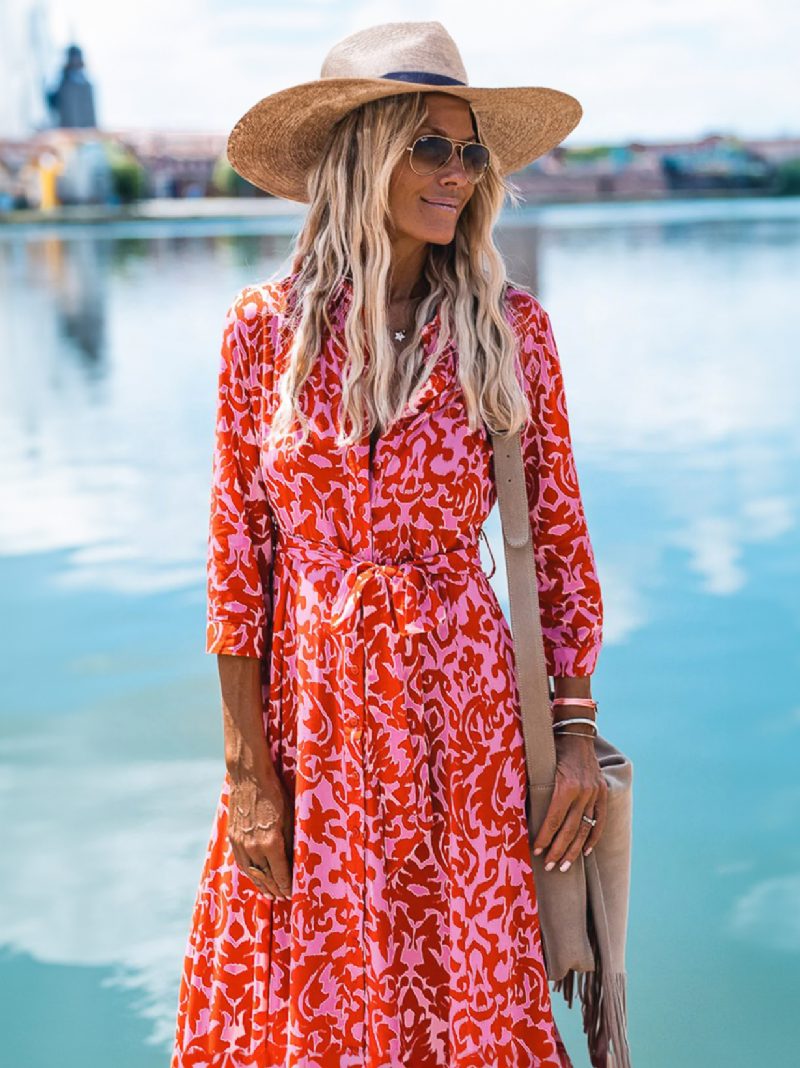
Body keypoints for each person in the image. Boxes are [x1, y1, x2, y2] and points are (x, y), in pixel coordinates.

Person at [171, 20, 606, 1068]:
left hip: (464, 722)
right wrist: (246, 777)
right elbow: (239, 562)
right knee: (302, 991)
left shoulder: (509, 330)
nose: (457, 174)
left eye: (470, 154)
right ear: (364, 154)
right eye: (430, 146)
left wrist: (577, 734)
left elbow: (555, 544)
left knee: (465, 985)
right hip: (308, 723)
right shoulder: (260, 332)